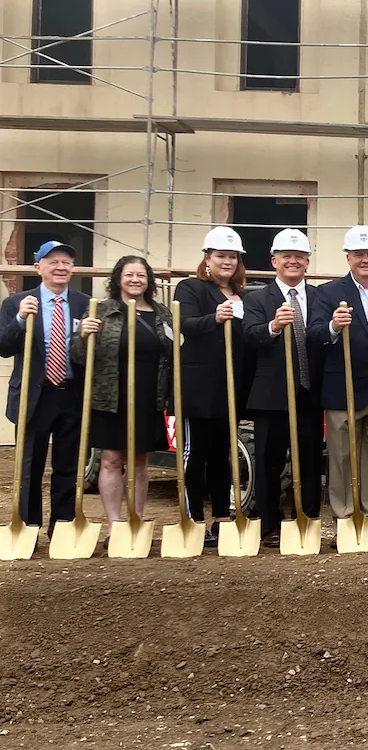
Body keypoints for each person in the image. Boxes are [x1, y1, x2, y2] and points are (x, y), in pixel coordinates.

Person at [311, 226, 368, 538]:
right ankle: (344, 520)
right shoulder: (328, 293)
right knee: (340, 459)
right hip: (345, 391)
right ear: (348, 257)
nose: (366, 260)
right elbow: (312, 333)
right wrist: (333, 327)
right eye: (359, 254)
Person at [72, 256, 173, 529]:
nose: (135, 280)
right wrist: (82, 335)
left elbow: (172, 354)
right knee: (111, 458)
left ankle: (136, 521)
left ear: (148, 280)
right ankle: (115, 523)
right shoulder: (101, 310)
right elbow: (79, 357)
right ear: (118, 279)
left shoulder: (162, 314)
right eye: (129, 275)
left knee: (140, 460)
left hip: (148, 394)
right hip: (112, 395)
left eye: (141, 275)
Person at [0, 241, 90, 535]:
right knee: (29, 466)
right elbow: (3, 347)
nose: (61, 267)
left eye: (66, 262)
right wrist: (18, 321)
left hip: (71, 394)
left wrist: (91, 337)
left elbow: (91, 355)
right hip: (33, 395)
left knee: (67, 465)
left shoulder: (85, 304)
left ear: (72, 268)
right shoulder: (17, 303)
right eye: (52, 262)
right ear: (38, 268)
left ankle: (62, 526)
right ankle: (27, 526)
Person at [243, 228, 324, 548]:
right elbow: (248, 336)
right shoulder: (257, 298)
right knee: (268, 462)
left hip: (310, 392)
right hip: (272, 394)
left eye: (299, 257)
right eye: (286, 257)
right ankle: (270, 525)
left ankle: (308, 519)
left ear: (307, 262)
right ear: (274, 261)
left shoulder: (320, 297)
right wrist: (273, 327)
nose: (293, 262)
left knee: (310, 460)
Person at [174, 226, 247, 548]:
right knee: (195, 455)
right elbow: (183, 323)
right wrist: (214, 318)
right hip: (198, 388)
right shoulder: (191, 289)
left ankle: (220, 519)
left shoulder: (245, 295)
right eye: (220, 256)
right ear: (207, 258)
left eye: (232, 256)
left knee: (223, 456)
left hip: (229, 388)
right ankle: (193, 519)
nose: (227, 262)